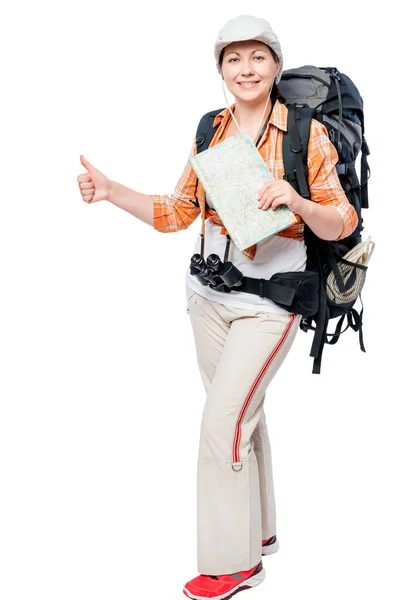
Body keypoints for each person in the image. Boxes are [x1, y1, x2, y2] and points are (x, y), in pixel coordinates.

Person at [77, 14, 358, 600]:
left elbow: (342, 220)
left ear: (276, 65)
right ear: (221, 69)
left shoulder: (307, 132)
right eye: (234, 58)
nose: (246, 68)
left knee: (221, 422)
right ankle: (260, 534)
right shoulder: (211, 129)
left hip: (272, 302)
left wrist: (298, 202)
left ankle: (233, 564)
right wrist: (112, 193)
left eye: (258, 57)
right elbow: (178, 212)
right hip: (208, 296)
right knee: (238, 418)